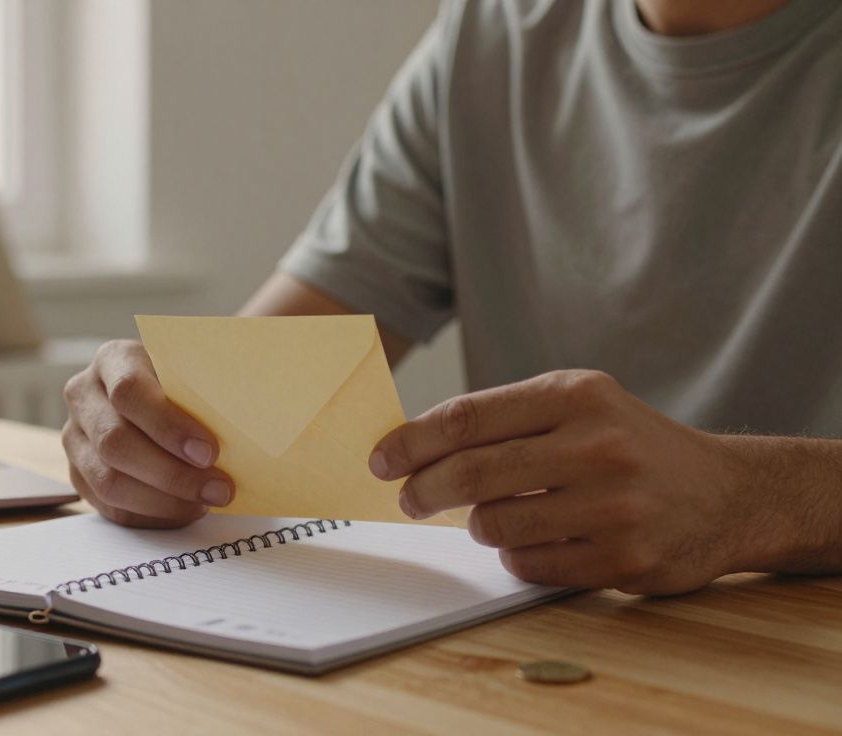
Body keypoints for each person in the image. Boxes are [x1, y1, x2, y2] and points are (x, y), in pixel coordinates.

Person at [61, 0, 842, 595]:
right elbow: (245, 401)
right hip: (540, 641)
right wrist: (147, 431)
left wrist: (752, 499)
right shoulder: (492, 32)